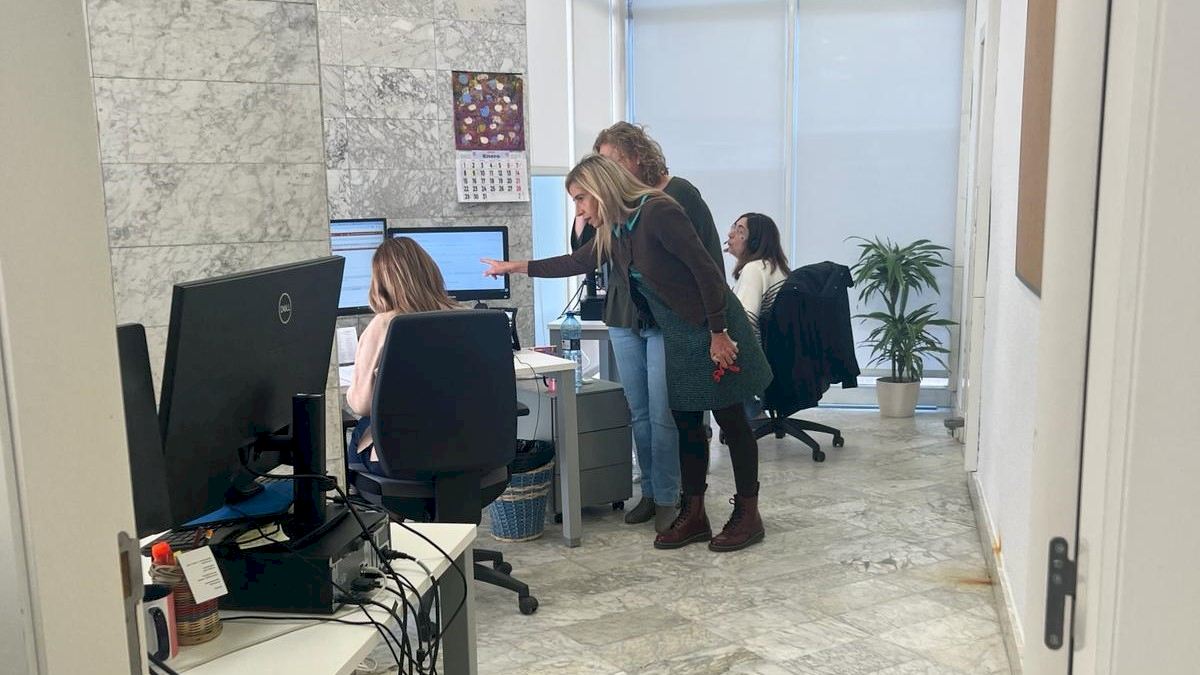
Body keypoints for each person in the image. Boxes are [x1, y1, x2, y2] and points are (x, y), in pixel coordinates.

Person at [483, 155, 772, 552]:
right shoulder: (616, 229)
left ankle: (748, 515)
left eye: (581, 199)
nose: (579, 211)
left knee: (731, 419)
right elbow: (577, 260)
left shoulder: (658, 213)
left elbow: (706, 270)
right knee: (686, 422)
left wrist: (718, 332)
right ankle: (695, 514)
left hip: (712, 326)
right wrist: (516, 267)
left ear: (602, 190)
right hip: (679, 332)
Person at [569, 122, 726, 533]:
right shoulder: (614, 204)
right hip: (624, 314)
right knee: (638, 412)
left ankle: (671, 498)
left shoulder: (677, 195)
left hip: (666, 320)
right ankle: (651, 492)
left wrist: (714, 325)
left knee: (663, 413)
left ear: (637, 157)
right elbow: (586, 255)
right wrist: (581, 213)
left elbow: (707, 263)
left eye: (613, 160)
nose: (607, 171)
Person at [346, 237, 458, 470]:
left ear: (380, 284)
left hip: (402, 458)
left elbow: (361, 405)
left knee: (359, 430)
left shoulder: (385, 324)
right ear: (430, 272)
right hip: (469, 451)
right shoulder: (467, 317)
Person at [725, 213, 789, 421]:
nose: (730, 234)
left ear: (755, 242)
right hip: (780, 357)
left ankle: (751, 413)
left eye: (740, 231)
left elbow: (745, 324)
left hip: (760, 363)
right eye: (733, 228)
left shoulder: (754, 269)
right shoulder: (774, 267)